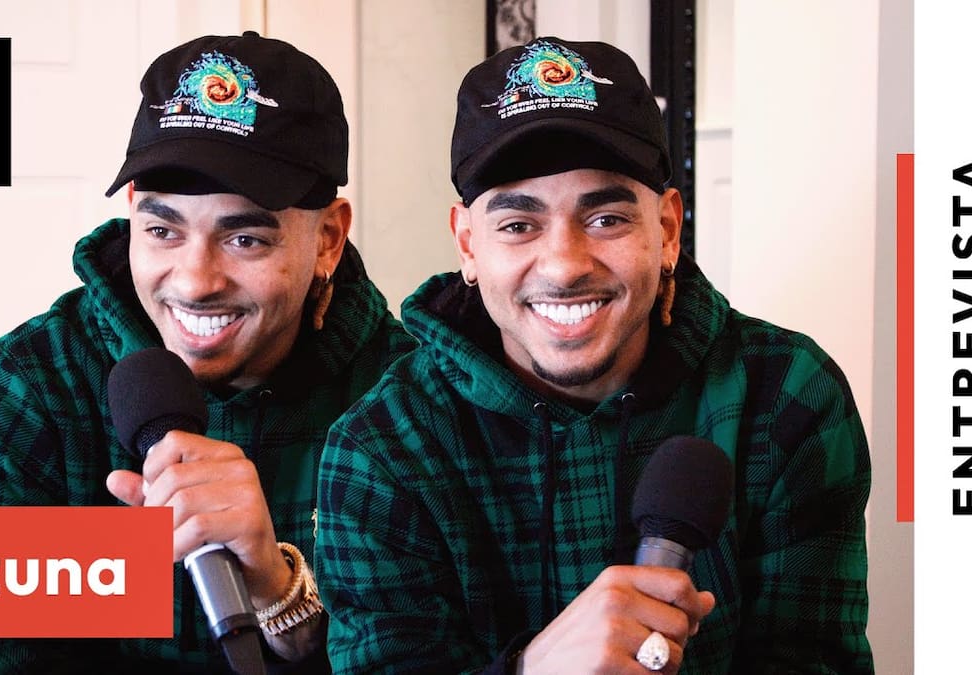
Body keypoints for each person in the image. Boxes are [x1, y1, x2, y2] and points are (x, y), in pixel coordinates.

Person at [315, 37, 873, 673]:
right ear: (468, 244)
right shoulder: (382, 445)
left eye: (606, 219)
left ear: (666, 230)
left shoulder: (787, 397)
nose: (564, 266)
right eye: (518, 225)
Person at [0, 33, 415, 673]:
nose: (195, 282)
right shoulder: (32, 381)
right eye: (162, 229)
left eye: (246, 239)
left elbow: (430, 655)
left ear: (328, 239)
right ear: (132, 216)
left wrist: (280, 594)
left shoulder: (406, 400)